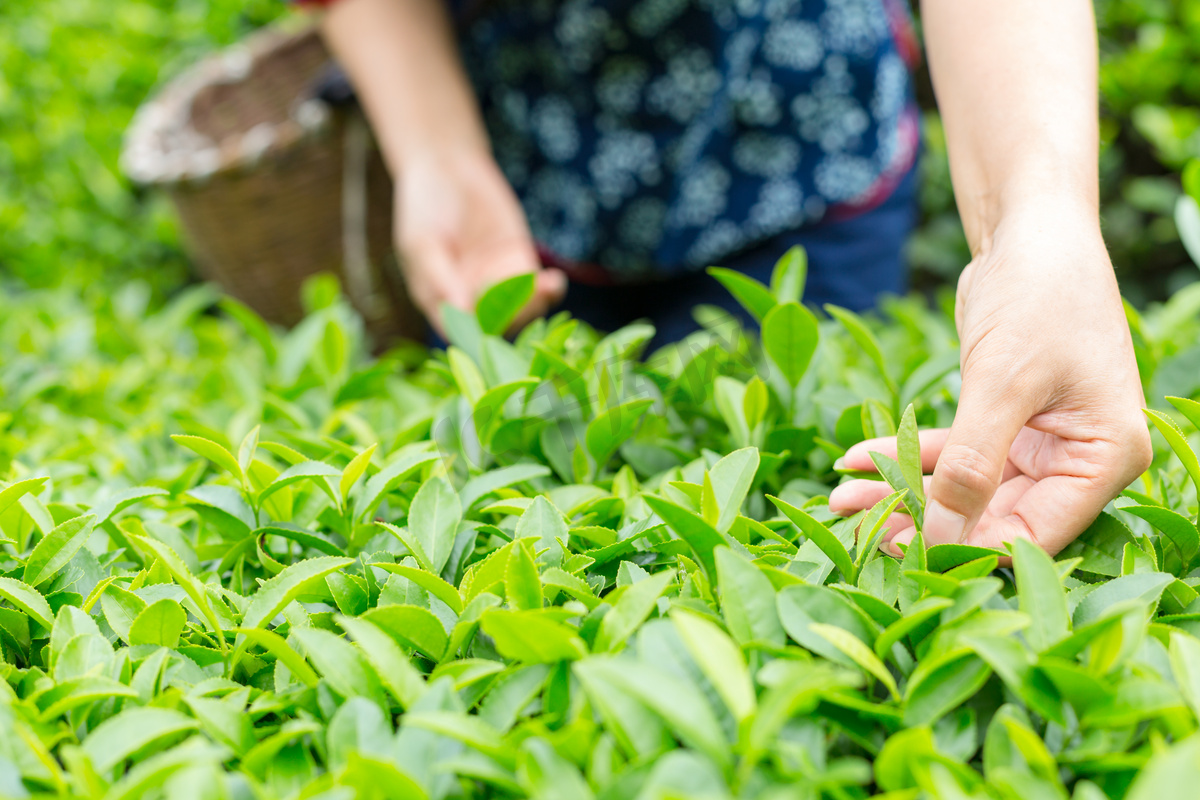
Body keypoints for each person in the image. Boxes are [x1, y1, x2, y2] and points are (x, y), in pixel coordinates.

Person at [310, 0, 1151, 557]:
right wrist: (434, 149)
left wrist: (1040, 222)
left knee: (798, 479)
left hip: (796, 143)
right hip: (520, 170)